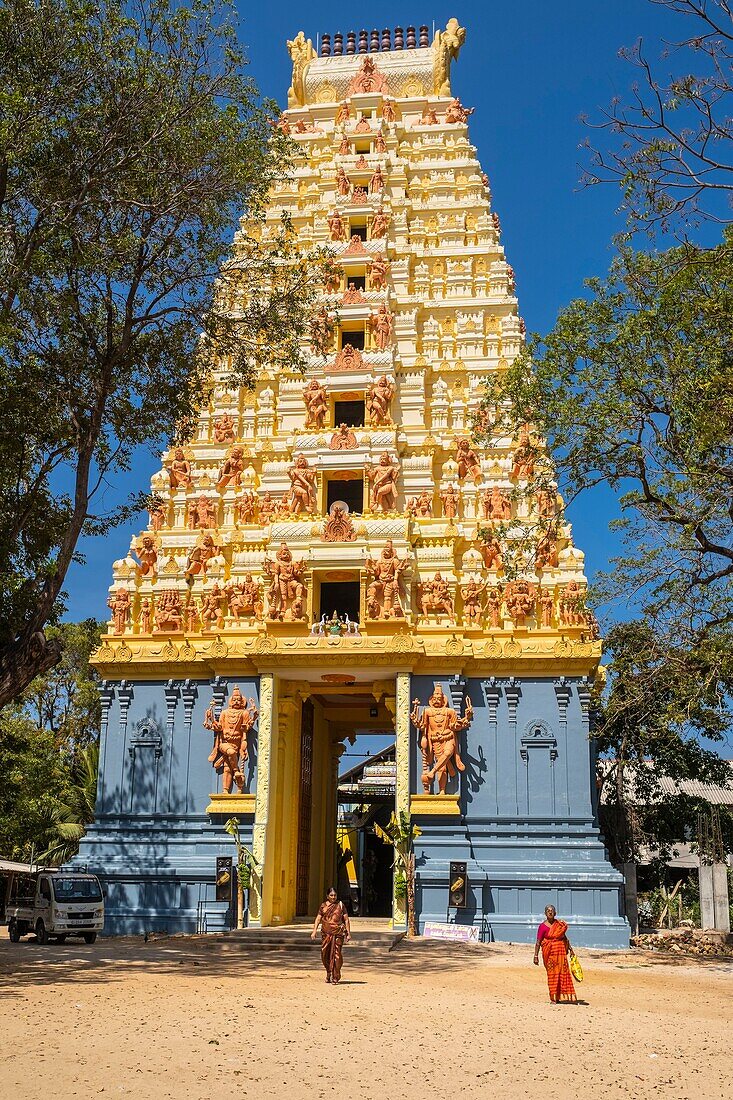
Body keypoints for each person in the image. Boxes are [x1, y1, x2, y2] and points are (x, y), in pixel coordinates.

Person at [533, 904, 577, 1004]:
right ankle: (553, 998)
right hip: (549, 954)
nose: (550, 912)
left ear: (555, 913)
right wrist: (535, 956)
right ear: (545, 913)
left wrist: (570, 949)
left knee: (561, 974)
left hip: (560, 953)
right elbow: (538, 942)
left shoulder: (559, 925)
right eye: (548, 910)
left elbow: (564, 937)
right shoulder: (542, 927)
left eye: (552, 910)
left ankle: (558, 997)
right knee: (552, 975)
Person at [311, 887, 351, 984]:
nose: (333, 897)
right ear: (327, 896)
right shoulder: (323, 906)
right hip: (326, 933)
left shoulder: (340, 905)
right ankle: (329, 972)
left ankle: (335, 976)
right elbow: (318, 918)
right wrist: (314, 931)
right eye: (331, 895)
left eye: (335, 895)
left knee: (337, 954)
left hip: (338, 933)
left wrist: (348, 933)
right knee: (325, 954)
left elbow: (346, 919)